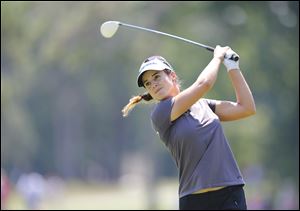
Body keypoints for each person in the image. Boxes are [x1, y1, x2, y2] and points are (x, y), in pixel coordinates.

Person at [122, 45, 256, 210]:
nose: (153, 85)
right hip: (194, 201)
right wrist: (217, 57)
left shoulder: (205, 105)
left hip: (229, 195)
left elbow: (247, 108)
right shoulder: (161, 112)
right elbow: (204, 84)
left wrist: (232, 67)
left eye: (156, 77)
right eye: (148, 83)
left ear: (172, 76)